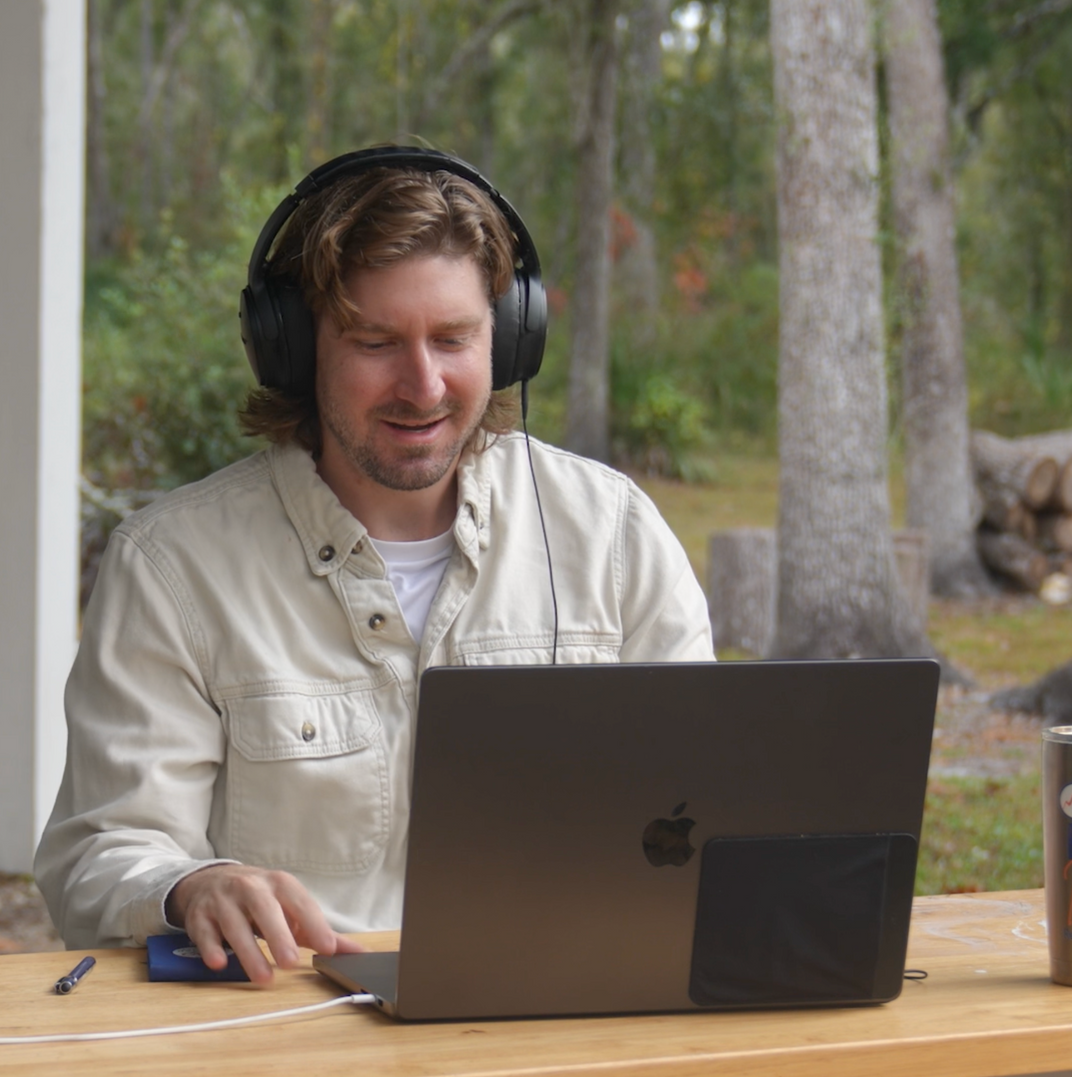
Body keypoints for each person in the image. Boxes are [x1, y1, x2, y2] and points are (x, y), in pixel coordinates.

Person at [35, 147, 713, 984]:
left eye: (454, 338)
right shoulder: (174, 566)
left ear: (508, 338)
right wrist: (189, 884)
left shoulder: (615, 538)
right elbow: (102, 850)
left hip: (561, 1016)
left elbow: (698, 814)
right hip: (287, 1035)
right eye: (376, 340)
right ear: (290, 347)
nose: (423, 385)